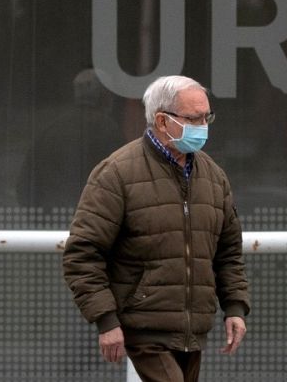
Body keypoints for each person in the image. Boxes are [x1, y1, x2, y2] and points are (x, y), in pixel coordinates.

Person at [62, 75, 250, 382]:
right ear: (162, 121)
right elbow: (83, 253)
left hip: (193, 328)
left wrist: (235, 307)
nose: (203, 126)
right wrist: (106, 321)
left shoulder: (213, 177)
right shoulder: (117, 173)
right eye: (194, 118)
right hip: (144, 324)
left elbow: (228, 252)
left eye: (207, 117)